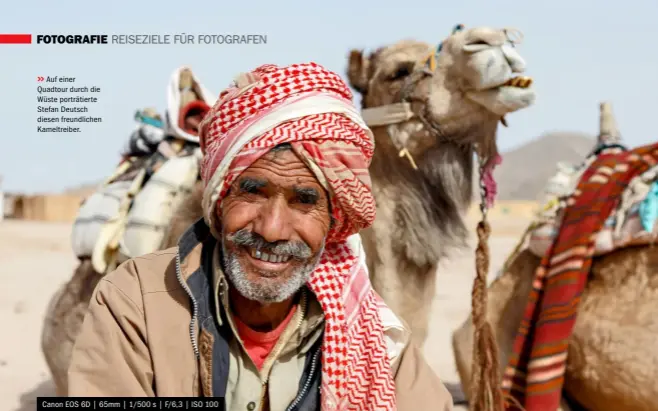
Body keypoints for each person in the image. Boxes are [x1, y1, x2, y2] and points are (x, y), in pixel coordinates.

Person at [67, 62, 453, 410]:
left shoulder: (370, 333)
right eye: (252, 192)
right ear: (219, 199)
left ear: (334, 218)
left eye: (305, 201)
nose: (271, 229)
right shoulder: (135, 303)